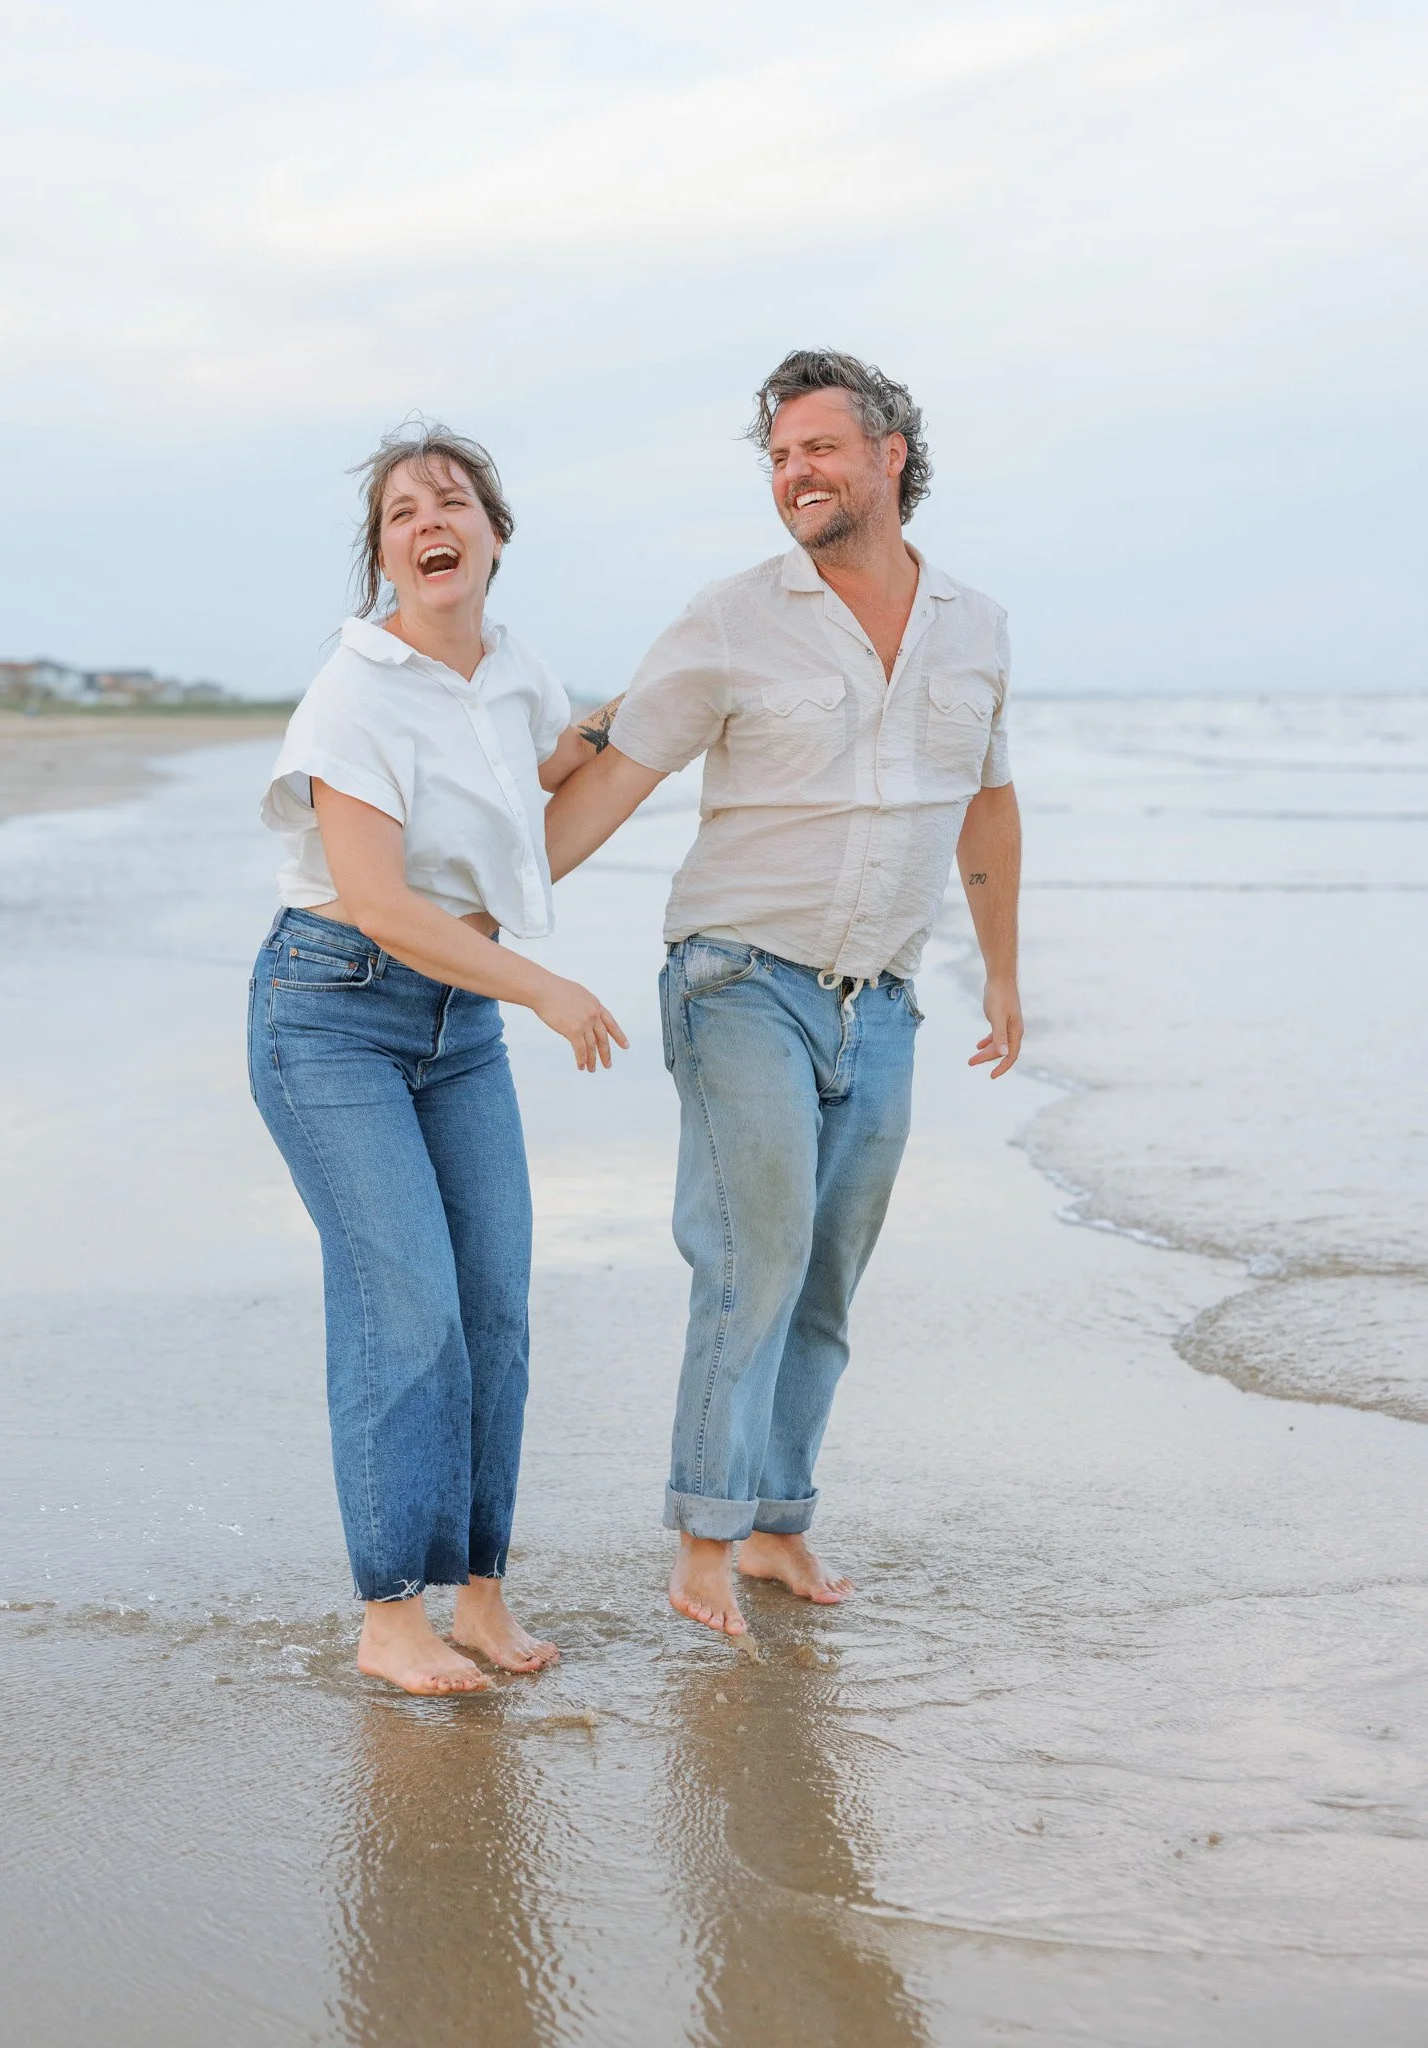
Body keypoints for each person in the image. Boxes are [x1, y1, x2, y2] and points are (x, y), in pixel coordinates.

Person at [545, 349, 1024, 1637]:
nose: (794, 473)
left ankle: (775, 1527)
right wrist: (469, 915)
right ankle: (703, 1540)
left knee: (825, 1279)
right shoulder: (728, 616)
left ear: (891, 456)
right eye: (777, 456)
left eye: (817, 447)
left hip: (885, 996)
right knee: (753, 1255)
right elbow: (613, 775)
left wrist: (1006, 974)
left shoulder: (974, 623)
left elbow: (985, 798)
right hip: (738, 974)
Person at [249, 422, 626, 1696]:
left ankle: (479, 1595)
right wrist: (548, 987)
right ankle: (387, 1613)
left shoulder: (515, 675)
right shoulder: (352, 689)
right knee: (403, 1305)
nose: (430, 520)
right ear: (385, 556)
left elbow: (526, 820)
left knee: (495, 1310)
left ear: (495, 535)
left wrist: (643, 726)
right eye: (403, 511)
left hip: (455, 1028)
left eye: (452, 500)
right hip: (332, 1016)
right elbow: (382, 900)